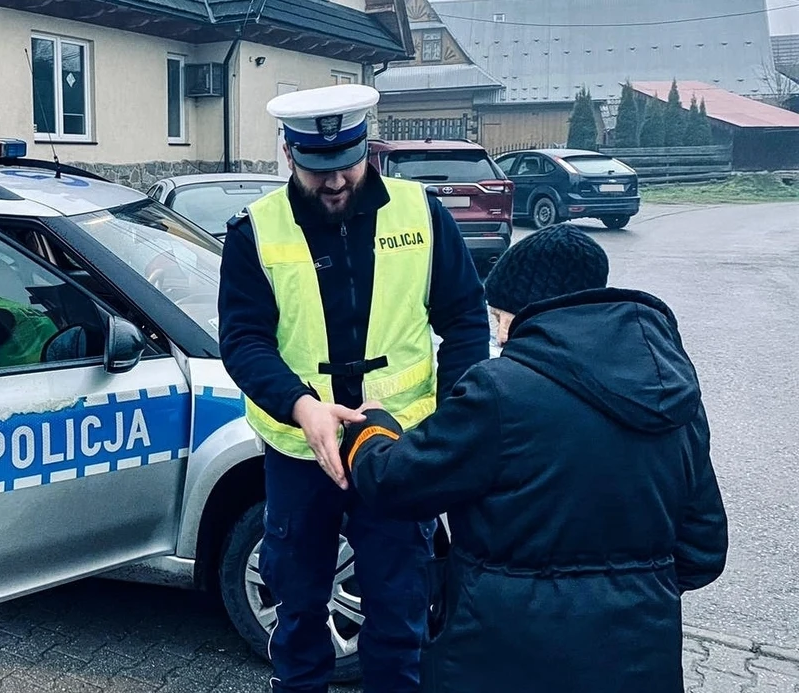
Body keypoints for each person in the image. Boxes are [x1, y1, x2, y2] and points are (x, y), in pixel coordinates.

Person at [340, 224, 729, 693]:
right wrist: (628, 589)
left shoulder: (500, 392)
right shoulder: (672, 390)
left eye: (497, 316)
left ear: (523, 313)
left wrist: (370, 427)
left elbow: (394, 482)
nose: (498, 333)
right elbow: (703, 550)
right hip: (639, 662)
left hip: (503, 658)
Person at [217, 83, 490, 693]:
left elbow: (467, 322)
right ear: (289, 154)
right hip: (299, 453)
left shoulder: (421, 214)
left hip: (398, 452)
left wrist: (452, 419)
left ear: (369, 147)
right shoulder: (254, 232)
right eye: (318, 169)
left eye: (347, 163)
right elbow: (243, 341)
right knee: (298, 612)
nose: (335, 182)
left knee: (400, 615)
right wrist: (300, 405)